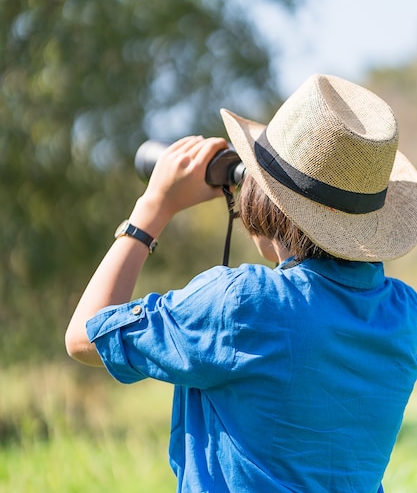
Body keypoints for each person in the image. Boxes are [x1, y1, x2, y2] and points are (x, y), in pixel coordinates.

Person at [66, 73, 417, 493]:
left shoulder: (244, 304)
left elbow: (85, 336)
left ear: (268, 200)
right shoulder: (405, 314)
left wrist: (152, 208)